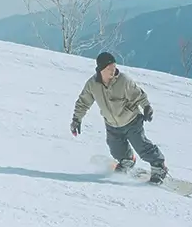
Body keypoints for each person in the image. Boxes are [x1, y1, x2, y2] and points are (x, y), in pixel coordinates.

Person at [70, 51, 168, 183]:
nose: (113, 71)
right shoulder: (92, 85)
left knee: (141, 145)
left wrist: (146, 107)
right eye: (109, 68)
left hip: (132, 120)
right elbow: (83, 102)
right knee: (115, 149)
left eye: (114, 67)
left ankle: (159, 166)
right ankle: (127, 160)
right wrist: (76, 119)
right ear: (100, 70)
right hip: (112, 124)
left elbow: (139, 95)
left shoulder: (123, 81)